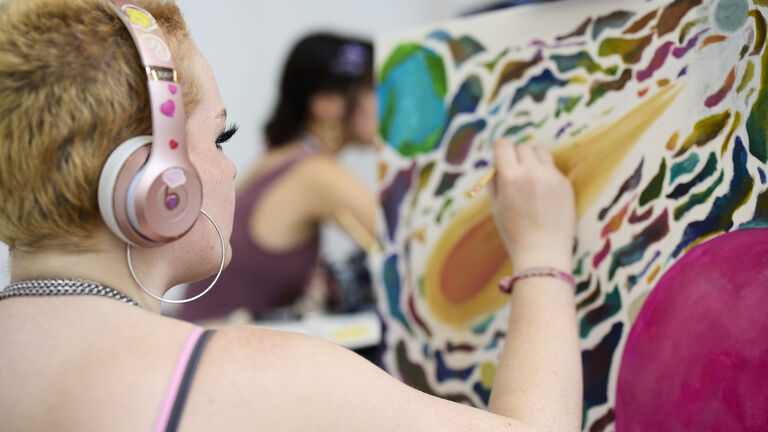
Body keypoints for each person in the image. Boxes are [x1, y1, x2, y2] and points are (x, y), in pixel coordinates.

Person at [0, 1, 581, 431]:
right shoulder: (262, 377)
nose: (229, 171)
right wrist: (542, 253)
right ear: (160, 182)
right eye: (220, 137)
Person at [177, 32, 379, 323]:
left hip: (203, 342)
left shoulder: (280, 159)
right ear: (326, 103)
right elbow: (411, 248)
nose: (390, 101)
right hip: (219, 350)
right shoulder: (315, 174)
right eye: (375, 88)